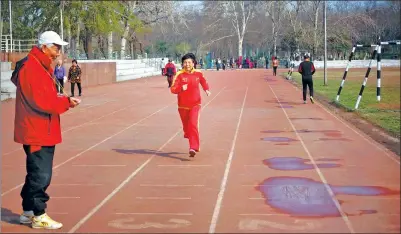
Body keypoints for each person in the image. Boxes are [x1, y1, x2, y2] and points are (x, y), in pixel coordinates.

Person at [11, 31, 80, 229]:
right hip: (37, 129)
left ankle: (29, 211)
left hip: (39, 127)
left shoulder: (39, 65)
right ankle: (39, 214)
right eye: (55, 46)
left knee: (35, 171)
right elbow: (42, 100)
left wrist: (63, 100)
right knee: (41, 174)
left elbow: (44, 96)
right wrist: (66, 103)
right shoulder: (32, 68)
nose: (58, 51)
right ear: (44, 47)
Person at [170, 53, 211, 157]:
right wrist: (180, 89)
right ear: (182, 63)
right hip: (182, 106)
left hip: (195, 104)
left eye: (189, 62)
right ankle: (188, 134)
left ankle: (193, 147)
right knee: (187, 128)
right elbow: (173, 89)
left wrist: (206, 90)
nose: (187, 64)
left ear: (193, 63)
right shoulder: (179, 75)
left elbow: (203, 81)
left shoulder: (198, 73)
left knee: (193, 124)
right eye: (185, 62)